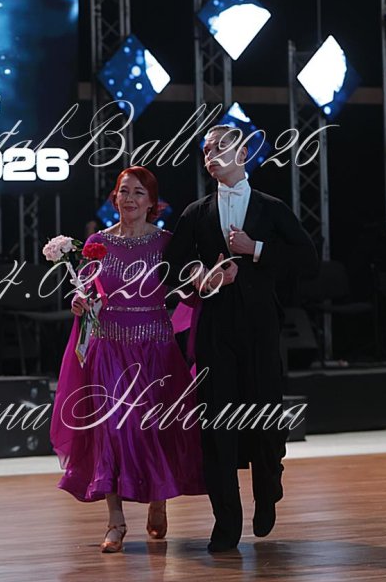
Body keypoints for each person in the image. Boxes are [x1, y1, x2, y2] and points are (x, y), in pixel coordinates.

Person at [165, 125, 318, 553]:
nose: (210, 155)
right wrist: (201, 277)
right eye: (205, 150)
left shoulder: (271, 207)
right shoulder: (196, 212)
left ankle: (268, 489)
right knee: (217, 425)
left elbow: (308, 261)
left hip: (260, 327)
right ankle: (226, 522)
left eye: (219, 148)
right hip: (215, 328)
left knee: (265, 419)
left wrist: (256, 249)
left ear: (243, 153)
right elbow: (171, 266)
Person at [51, 166, 205, 553]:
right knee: (111, 433)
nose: (130, 198)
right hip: (109, 351)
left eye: (139, 192)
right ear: (114, 198)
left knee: (155, 430)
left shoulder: (167, 243)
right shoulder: (96, 243)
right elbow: (89, 292)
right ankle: (115, 521)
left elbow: (189, 291)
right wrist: (81, 302)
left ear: (152, 202)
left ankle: (158, 501)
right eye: (124, 191)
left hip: (155, 351)